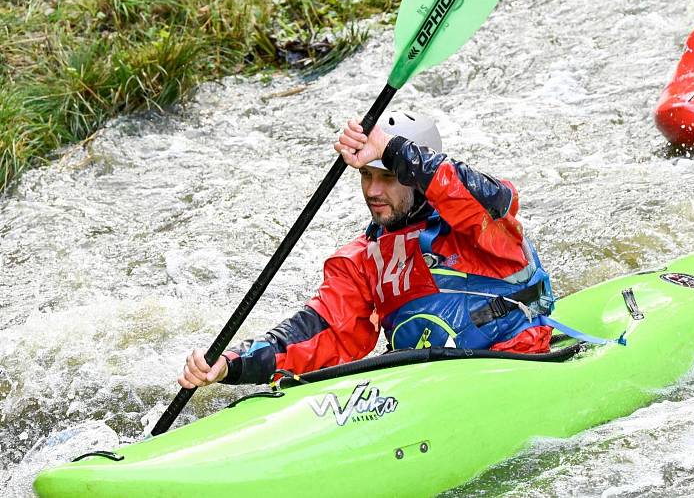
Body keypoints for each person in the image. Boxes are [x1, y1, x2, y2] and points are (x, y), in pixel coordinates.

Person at [178, 111, 555, 389]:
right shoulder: (364, 258)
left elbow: (489, 194)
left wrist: (392, 150)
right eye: (366, 175)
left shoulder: (476, 225)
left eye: (387, 177)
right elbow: (323, 332)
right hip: (424, 387)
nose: (373, 191)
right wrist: (233, 364)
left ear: (416, 176)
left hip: (516, 364)